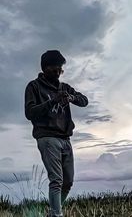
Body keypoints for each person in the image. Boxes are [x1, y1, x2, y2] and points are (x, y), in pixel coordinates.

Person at [24, 50, 88, 217]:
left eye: (60, 69)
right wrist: (53, 101)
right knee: (57, 180)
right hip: (47, 137)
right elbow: (29, 112)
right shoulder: (34, 86)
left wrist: (71, 98)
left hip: (65, 138)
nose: (58, 73)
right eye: (54, 69)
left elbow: (84, 101)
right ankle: (56, 214)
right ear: (45, 68)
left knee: (68, 182)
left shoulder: (64, 87)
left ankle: (52, 212)